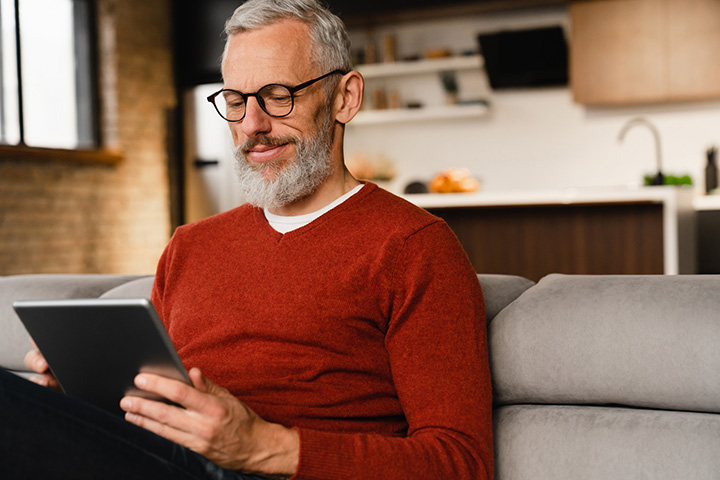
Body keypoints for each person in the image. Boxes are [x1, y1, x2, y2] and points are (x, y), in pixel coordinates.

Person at [4, 0, 493, 478]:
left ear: (345, 97)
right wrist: (81, 405)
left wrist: (265, 448)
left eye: (279, 95)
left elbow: (462, 463)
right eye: (236, 102)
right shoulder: (191, 246)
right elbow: (157, 406)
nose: (252, 126)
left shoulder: (415, 246)